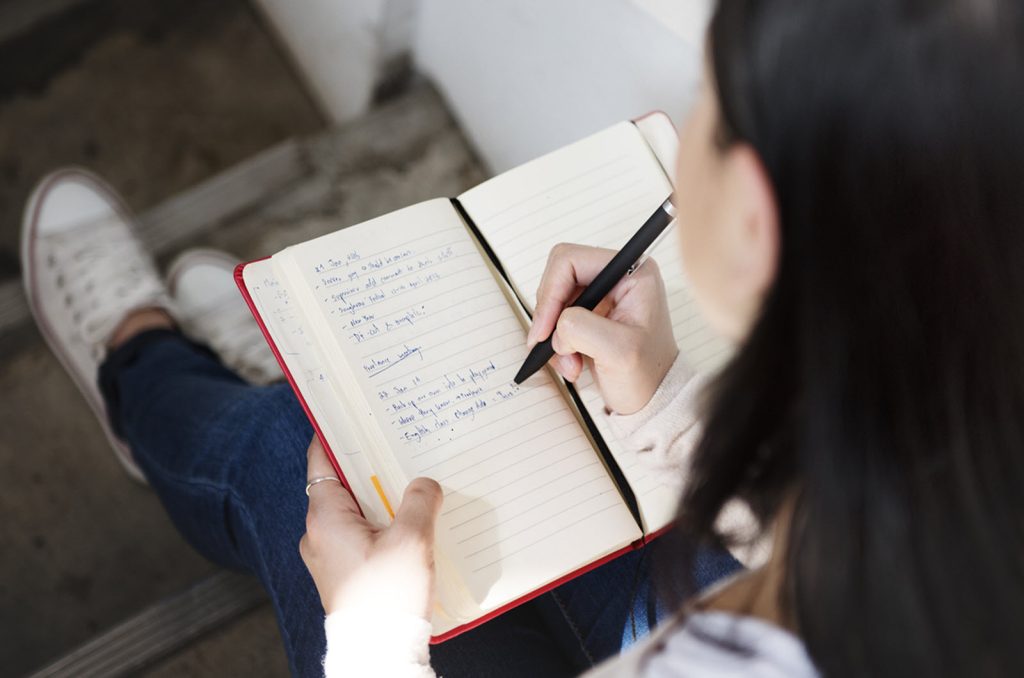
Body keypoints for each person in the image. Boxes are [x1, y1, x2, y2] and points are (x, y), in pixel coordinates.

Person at [21, 0, 1024, 676]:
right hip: (709, 594)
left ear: (754, 212)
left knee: (291, 453)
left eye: (704, 101)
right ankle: (291, 377)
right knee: (383, 458)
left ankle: (137, 358)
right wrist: (670, 402)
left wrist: (369, 641)